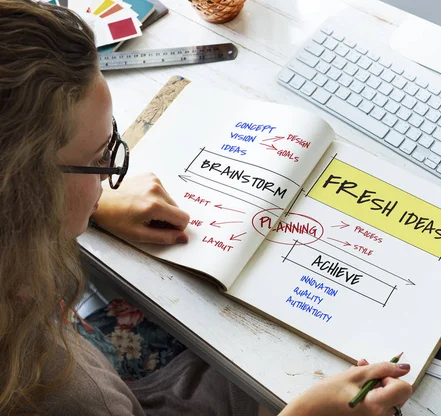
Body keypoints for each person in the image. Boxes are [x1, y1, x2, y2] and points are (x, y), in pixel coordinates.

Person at [0, 1, 413, 415]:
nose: (111, 173)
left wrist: (93, 203)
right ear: (27, 196)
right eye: (97, 157)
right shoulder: (71, 399)